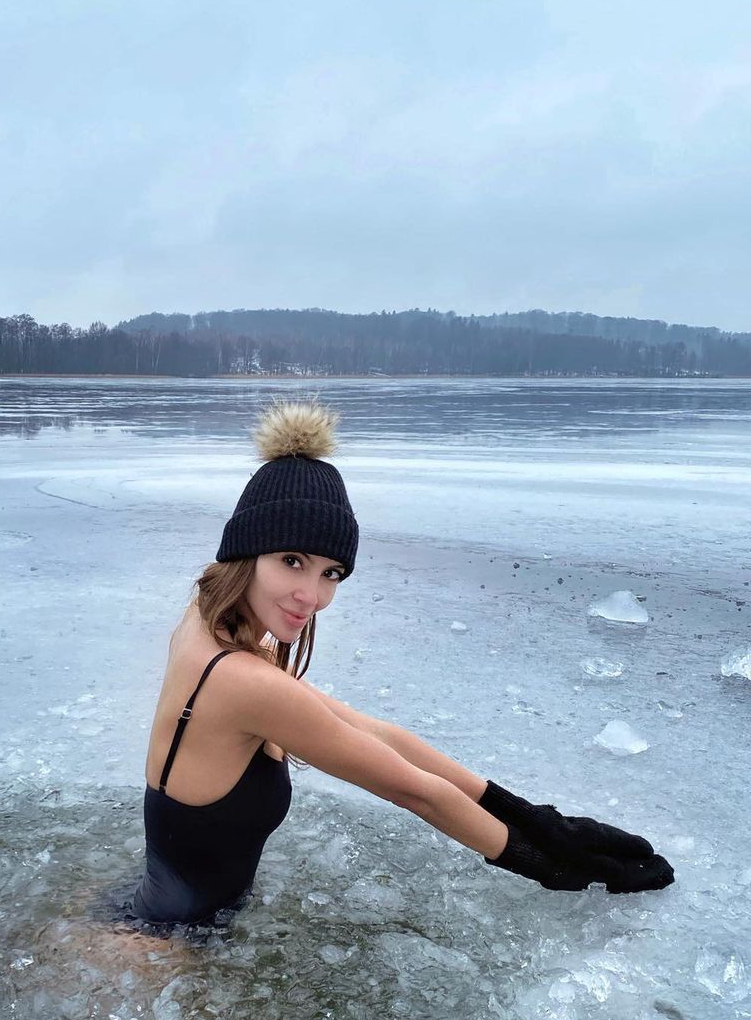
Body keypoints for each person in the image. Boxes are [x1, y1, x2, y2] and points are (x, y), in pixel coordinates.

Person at [128, 397, 674, 932]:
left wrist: (529, 815)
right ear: (246, 551)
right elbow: (415, 791)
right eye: (291, 561)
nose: (310, 596)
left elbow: (371, 731)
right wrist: (552, 864)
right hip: (171, 948)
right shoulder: (243, 682)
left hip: (167, 913)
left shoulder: (208, 618)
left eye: (331, 573)